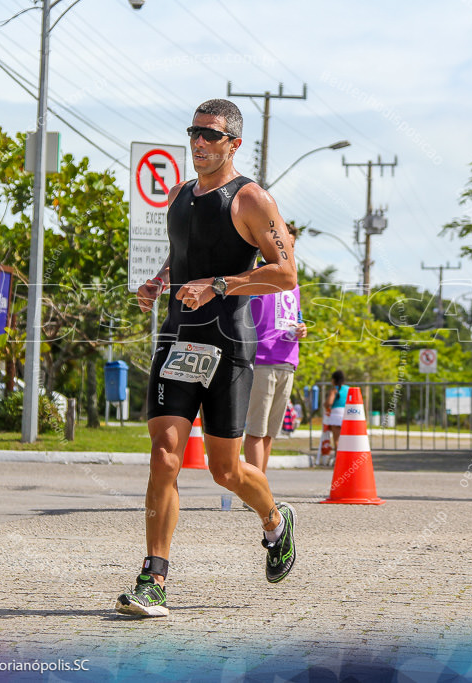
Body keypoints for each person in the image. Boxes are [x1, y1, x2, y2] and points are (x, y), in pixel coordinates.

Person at [118, 99, 298, 617]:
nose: (198, 142)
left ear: (233, 144)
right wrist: (160, 281)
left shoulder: (251, 200)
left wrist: (220, 284)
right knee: (165, 454)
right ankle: (154, 578)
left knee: (224, 470)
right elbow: (186, 250)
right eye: (193, 132)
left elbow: (285, 275)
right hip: (178, 339)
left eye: (210, 135)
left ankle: (275, 519)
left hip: (228, 344)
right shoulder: (177, 196)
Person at [243, 222, 307, 474]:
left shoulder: (294, 284)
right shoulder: (255, 275)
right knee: (256, 430)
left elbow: (296, 317)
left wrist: (302, 328)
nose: (287, 250)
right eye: (282, 244)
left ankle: (261, 485)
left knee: (270, 432)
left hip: (287, 361)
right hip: (261, 360)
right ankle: (255, 488)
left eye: (291, 246)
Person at [323, 370, 349, 455]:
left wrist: (325, 404)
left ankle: (338, 459)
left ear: (334, 380)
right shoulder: (349, 389)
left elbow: (329, 403)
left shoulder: (334, 390)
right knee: (347, 439)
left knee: (337, 440)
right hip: (348, 414)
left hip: (336, 415)